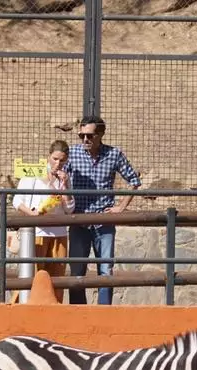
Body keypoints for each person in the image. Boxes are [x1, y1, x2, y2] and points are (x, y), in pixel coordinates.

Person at [66, 115, 142, 305]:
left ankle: (104, 311)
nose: (85, 139)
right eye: (81, 135)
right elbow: (56, 175)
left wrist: (121, 207)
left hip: (104, 222)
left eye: (89, 136)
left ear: (100, 134)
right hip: (78, 221)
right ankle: (77, 312)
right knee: (76, 272)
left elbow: (134, 181)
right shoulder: (72, 154)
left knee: (106, 271)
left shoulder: (114, 154)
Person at [9, 140, 75, 303]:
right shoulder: (35, 174)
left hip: (59, 233)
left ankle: (54, 307)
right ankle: (20, 305)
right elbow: (17, 200)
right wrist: (31, 214)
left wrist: (65, 186)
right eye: (55, 159)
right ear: (48, 156)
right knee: (31, 273)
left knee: (57, 278)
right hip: (37, 232)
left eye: (62, 160)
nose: (58, 164)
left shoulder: (64, 178)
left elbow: (69, 208)